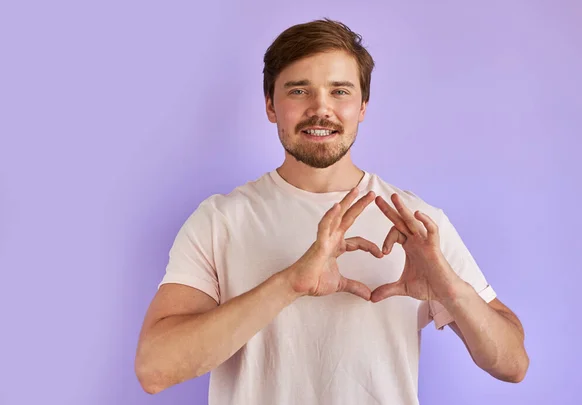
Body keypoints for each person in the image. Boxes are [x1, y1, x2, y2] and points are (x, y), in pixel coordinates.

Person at [134, 18, 529, 404]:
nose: (321, 109)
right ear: (271, 106)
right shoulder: (219, 220)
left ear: (363, 106)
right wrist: (290, 283)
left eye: (340, 91)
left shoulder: (415, 225)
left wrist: (451, 290)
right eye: (299, 91)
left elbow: (513, 364)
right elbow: (155, 369)